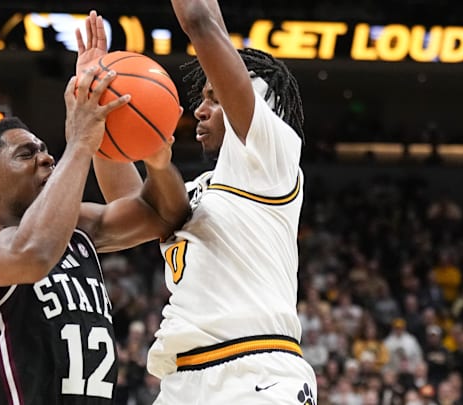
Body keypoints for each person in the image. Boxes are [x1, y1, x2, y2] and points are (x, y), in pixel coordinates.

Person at [87, 1, 316, 402]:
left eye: (214, 97)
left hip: (258, 371)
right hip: (183, 382)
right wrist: (100, 111)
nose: (199, 110)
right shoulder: (194, 191)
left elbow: (199, 20)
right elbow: (126, 205)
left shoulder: (271, 157)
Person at [0, 65, 189, 405]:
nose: (46, 158)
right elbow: (33, 255)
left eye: (45, 149)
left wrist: (154, 158)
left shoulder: (76, 230)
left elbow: (160, 214)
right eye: (26, 154)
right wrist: (80, 142)